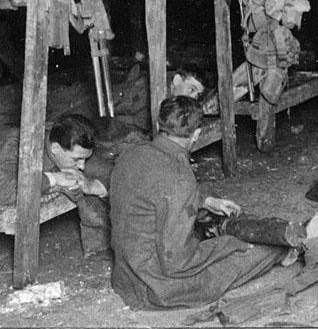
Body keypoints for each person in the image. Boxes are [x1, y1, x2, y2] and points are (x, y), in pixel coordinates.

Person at [109, 95, 287, 310]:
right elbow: (176, 263)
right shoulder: (180, 178)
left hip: (125, 275)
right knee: (262, 251)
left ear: (158, 125)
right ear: (197, 133)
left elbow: (150, 192)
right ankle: (283, 251)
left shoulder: (131, 153)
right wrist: (228, 245)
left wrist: (204, 200)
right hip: (155, 286)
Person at [0, 114, 111, 256]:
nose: (81, 166)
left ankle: (97, 250)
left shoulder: (73, 144)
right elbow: (3, 191)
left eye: (85, 159)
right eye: (76, 159)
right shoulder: (18, 143)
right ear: (55, 149)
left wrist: (92, 186)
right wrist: (54, 179)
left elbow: (109, 170)